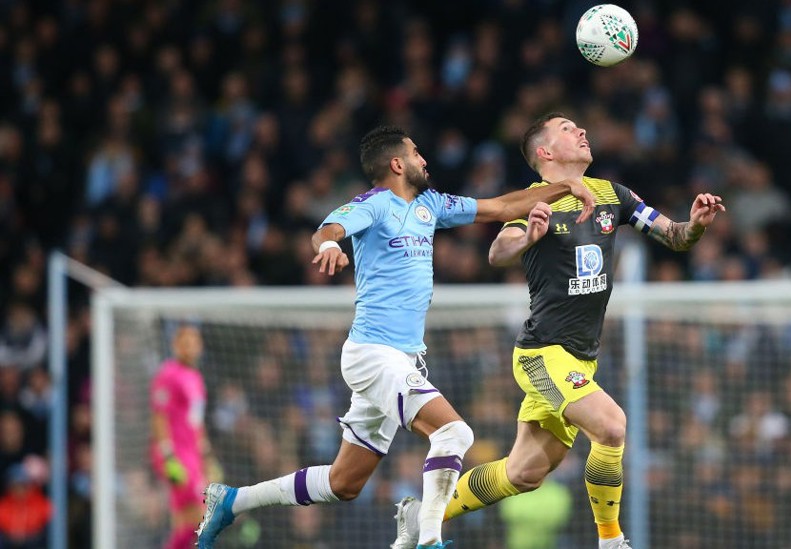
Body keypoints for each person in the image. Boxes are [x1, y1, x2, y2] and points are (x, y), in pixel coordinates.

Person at [196, 125, 595, 549]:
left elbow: (499, 207)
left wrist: (565, 187)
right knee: (455, 434)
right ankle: (428, 539)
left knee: (344, 481)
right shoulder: (374, 206)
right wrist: (330, 245)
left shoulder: (431, 205)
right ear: (397, 163)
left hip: (402, 359)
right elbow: (328, 228)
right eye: (417, 153)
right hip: (373, 354)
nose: (425, 160)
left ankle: (232, 501)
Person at [392, 112, 725, 549]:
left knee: (523, 473)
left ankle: (423, 515)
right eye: (568, 129)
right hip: (541, 354)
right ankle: (612, 541)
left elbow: (675, 236)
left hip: (582, 359)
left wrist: (696, 224)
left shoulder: (614, 195)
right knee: (611, 426)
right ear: (545, 153)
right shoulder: (533, 201)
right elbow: (497, 251)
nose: (582, 131)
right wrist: (528, 236)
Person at [150, 324, 221, 549]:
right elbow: (159, 416)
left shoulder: (196, 378)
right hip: (177, 456)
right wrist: (168, 456)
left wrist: (207, 457)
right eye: (185, 343)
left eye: (194, 343)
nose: (190, 348)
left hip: (193, 456)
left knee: (186, 521)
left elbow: (196, 422)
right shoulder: (168, 374)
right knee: (200, 517)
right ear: (176, 346)